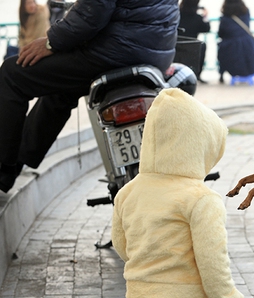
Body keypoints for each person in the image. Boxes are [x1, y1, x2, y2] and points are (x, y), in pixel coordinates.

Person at [112, 87, 249, 298]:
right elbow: (212, 261)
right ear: (198, 147)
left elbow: (122, 247)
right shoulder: (201, 199)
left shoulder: (129, 192)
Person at [0, 0, 179, 194]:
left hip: (111, 54)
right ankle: (20, 158)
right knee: (62, 89)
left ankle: (4, 168)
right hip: (155, 54)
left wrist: (51, 41)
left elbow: (93, 11)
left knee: (11, 75)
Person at [217, 0, 254, 84]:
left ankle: (221, 75)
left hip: (230, 46)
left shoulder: (224, 18)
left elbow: (221, 33)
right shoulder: (246, 12)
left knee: (221, 50)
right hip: (247, 43)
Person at [178, 0, 210, 83]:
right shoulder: (197, 18)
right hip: (192, 46)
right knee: (203, 45)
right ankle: (197, 75)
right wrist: (205, 16)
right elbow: (206, 28)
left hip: (177, 44)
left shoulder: (177, 15)